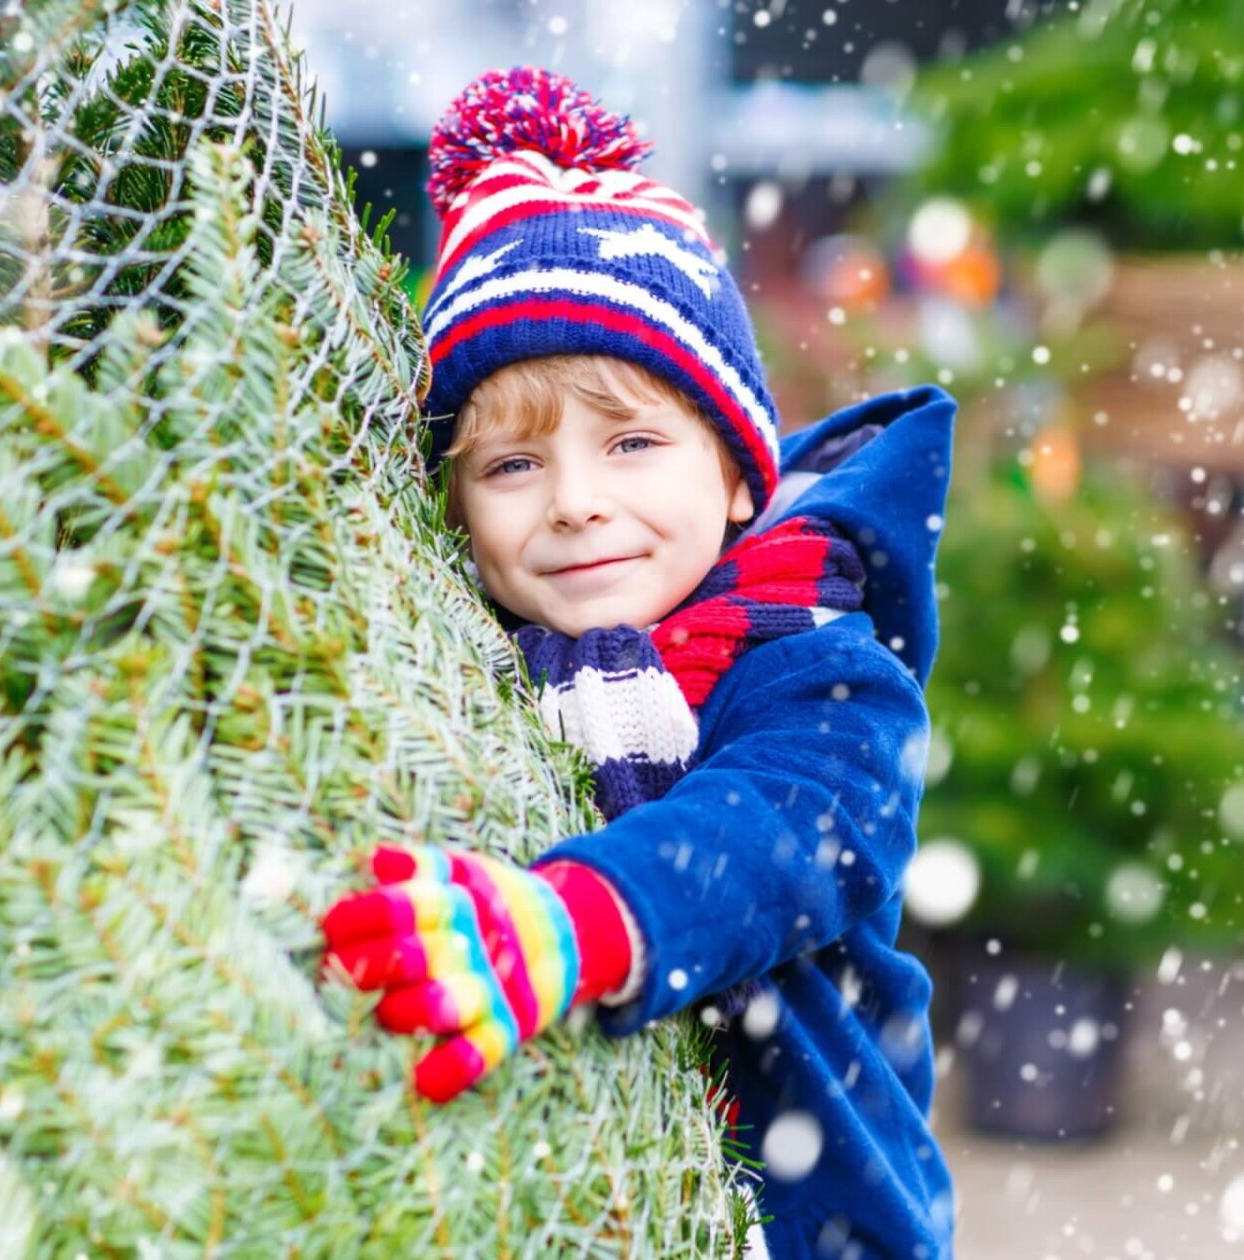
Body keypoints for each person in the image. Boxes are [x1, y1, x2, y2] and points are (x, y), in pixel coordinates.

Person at [320, 66, 956, 1260]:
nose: (574, 502)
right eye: (512, 466)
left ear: (735, 473)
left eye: (629, 443)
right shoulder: (462, 663)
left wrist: (581, 920)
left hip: (807, 1221)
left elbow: (782, 830)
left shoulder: (817, 660)